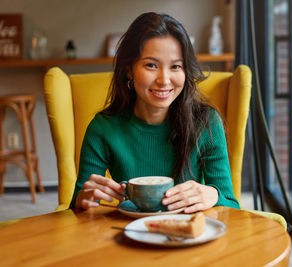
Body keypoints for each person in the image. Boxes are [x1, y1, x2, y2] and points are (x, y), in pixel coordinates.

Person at [71, 12, 240, 213]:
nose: (164, 79)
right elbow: (75, 210)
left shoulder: (207, 122)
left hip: (190, 240)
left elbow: (232, 207)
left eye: (176, 66)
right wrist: (83, 200)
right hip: (127, 236)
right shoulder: (103, 128)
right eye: (151, 65)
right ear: (128, 70)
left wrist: (214, 194)